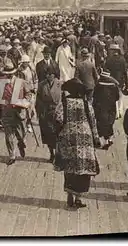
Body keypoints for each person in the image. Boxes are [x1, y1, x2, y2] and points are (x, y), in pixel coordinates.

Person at [54, 78, 100, 208]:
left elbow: (58, 118)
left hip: (68, 138)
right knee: (82, 169)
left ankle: (69, 194)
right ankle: (78, 198)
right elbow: (93, 122)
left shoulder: (63, 103)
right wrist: (96, 138)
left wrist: (59, 134)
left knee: (69, 167)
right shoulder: (86, 104)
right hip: (85, 140)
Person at [0, 60, 32, 165]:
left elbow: (28, 94)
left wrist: (25, 101)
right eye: (6, 74)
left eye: (10, 74)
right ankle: (12, 155)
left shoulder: (21, 82)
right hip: (7, 112)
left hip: (19, 111)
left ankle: (21, 143)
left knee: (21, 134)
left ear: (14, 73)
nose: (8, 76)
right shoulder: (1, 83)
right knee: (8, 135)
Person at [35, 66, 63, 162]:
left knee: (58, 134)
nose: (49, 76)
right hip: (45, 112)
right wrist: (39, 112)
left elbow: (63, 99)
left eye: (51, 74)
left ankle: (59, 153)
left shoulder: (60, 84)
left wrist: (61, 111)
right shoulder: (42, 85)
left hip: (57, 112)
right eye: (47, 74)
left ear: (54, 75)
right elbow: (38, 100)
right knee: (47, 134)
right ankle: (52, 154)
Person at [93, 70, 120, 149]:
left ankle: (104, 141)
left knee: (101, 123)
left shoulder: (98, 85)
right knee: (109, 123)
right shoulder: (113, 85)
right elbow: (117, 97)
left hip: (100, 107)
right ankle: (109, 139)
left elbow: (95, 96)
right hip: (111, 107)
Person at [104, 44, 128, 119]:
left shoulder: (108, 60)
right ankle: (120, 112)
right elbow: (125, 72)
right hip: (120, 81)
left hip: (111, 80)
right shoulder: (122, 59)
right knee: (120, 96)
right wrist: (127, 84)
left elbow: (105, 72)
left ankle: (116, 113)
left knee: (113, 97)